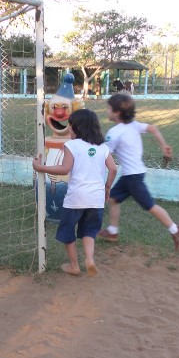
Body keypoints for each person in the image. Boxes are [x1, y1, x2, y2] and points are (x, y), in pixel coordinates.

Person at [33, 109, 117, 277]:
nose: (68, 129)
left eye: (70, 125)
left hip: (76, 198)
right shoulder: (102, 147)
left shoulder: (72, 145)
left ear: (77, 128)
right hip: (96, 198)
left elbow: (65, 168)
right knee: (89, 230)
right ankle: (89, 259)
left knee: (67, 230)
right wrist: (107, 187)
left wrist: (41, 168)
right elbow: (113, 169)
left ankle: (74, 266)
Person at [98, 93, 179, 250]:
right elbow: (153, 128)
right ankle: (112, 231)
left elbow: (104, 154)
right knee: (113, 198)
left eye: (109, 108)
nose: (107, 111)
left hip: (132, 176)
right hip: (133, 174)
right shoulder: (134, 125)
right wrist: (163, 146)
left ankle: (175, 230)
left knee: (149, 205)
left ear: (117, 112)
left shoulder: (114, 133)